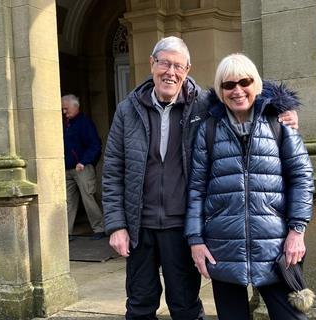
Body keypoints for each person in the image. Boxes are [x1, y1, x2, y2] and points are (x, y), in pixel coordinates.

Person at [102, 37, 299, 320]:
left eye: (178, 66)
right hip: (138, 226)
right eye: (164, 63)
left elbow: (243, 89)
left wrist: (283, 110)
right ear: (152, 64)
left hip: (182, 225)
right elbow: (112, 171)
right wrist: (116, 225)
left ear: (188, 69)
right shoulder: (127, 109)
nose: (171, 72)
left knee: (185, 306)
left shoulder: (204, 104)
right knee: (139, 304)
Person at [185, 53, 314, 320]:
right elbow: (197, 189)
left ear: (255, 84)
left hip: (275, 246)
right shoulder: (208, 130)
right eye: (228, 85)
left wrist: (297, 231)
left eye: (244, 82)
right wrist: (196, 240)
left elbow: (301, 178)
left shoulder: (278, 124)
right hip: (222, 246)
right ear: (220, 90)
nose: (237, 90)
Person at [62, 94, 105, 241]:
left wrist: (84, 161)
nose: (64, 112)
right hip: (67, 168)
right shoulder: (65, 123)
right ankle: (65, 232)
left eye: (66, 108)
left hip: (82, 168)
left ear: (75, 106)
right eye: (62, 109)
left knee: (88, 198)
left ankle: (99, 228)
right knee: (67, 201)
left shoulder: (85, 123)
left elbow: (95, 145)